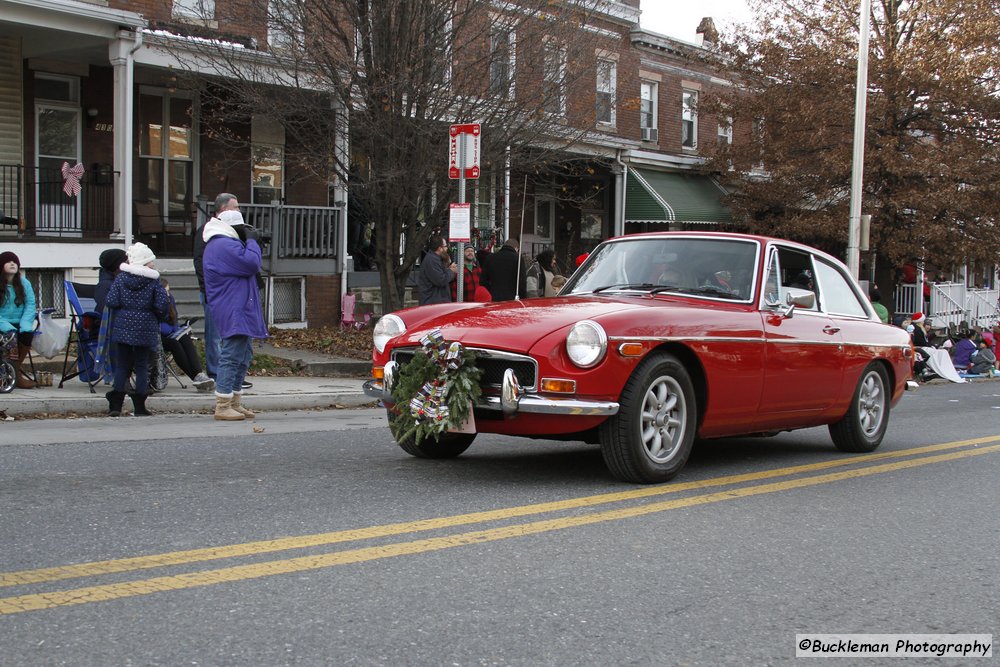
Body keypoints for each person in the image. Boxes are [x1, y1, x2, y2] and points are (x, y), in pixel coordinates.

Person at [203, 209, 269, 421]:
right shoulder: (222, 244)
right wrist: (252, 242)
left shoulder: (223, 243)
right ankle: (223, 404)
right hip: (233, 307)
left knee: (243, 355)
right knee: (232, 354)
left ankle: (234, 402)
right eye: (243, 229)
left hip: (238, 305)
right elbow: (251, 263)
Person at [104, 243, 170, 416]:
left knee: (122, 366)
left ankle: (116, 405)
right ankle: (140, 406)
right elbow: (162, 305)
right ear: (144, 263)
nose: (153, 265)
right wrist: (158, 316)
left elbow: (111, 301)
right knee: (141, 365)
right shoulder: (153, 281)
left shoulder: (120, 278)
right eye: (151, 262)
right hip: (145, 327)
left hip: (123, 326)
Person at [194, 193, 238, 385]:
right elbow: (200, 261)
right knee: (214, 335)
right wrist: (208, 288)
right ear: (223, 209)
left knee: (230, 334)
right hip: (213, 292)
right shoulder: (207, 231)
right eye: (235, 207)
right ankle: (215, 372)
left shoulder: (233, 231)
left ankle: (230, 372)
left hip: (230, 291)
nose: (238, 211)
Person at [159, 278, 215, 392]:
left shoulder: (170, 299)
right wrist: (171, 330)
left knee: (184, 337)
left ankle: (199, 374)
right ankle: (195, 377)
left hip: (170, 333)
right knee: (175, 344)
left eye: (169, 291)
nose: (168, 295)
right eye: (165, 292)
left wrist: (176, 329)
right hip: (157, 336)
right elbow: (159, 326)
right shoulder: (156, 303)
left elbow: (173, 321)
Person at [0, 251, 37, 389]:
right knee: (10, 335)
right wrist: (4, 325)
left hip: (19, 322)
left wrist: (25, 323)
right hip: (2, 322)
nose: (12, 264)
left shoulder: (24, 283)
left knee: (27, 334)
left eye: (15, 262)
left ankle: (14, 373)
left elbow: (30, 305)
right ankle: (12, 375)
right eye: (8, 261)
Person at [416, 235, 457, 305]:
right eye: (445, 246)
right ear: (440, 248)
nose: (447, 248)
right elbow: (441, 280)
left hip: (436, 301)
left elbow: (440, 275)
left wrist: (449, 269)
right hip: (433, 303)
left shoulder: (435, 259)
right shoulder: (432, 260)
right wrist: (451, 271)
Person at [94, 248, 127, 316]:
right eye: (126, 263)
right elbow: (106, 310)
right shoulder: (104, 286)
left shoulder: (121, 281)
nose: (129, 265)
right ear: (118, 265)